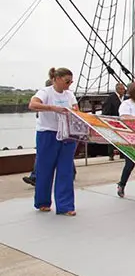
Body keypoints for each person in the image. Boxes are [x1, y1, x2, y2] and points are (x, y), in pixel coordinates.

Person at [28, 67, 78, 216]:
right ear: (56, 79)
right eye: (66, 81)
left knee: (66, 170)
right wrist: (51, 108)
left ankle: (65, 206)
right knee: (45, 169)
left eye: (71, 82)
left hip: (67, 135)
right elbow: (33, 105)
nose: (69, 85)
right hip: (48, 133)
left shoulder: (70, 95)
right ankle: (42, 202)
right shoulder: (45, 92)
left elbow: (76, 110)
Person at [102, 83, 125, 160]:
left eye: (123, 89)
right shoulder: (110, 98)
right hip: (113, 120)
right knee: (112, 138)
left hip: (123, 121)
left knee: (123, 138)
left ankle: (123, 154)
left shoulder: (126, 98)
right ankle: (111, 154)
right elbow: (106, 109)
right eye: (121, 89)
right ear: (117, 89)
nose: (123, 90)